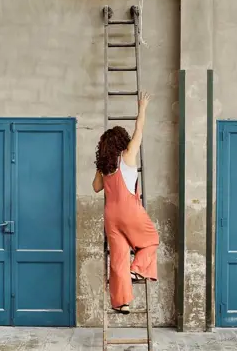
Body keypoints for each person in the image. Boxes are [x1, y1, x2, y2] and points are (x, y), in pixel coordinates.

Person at [92, 91, 159, 314]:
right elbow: (139, 130)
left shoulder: (105, 167)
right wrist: (143, 107)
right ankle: (138, 269)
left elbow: (96, 187)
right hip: (130, 211)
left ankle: (122, 303)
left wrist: (100, 164)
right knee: (151, 240)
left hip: (111, 216)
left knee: (118, 257)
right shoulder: (128, 156)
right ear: (122, 142)